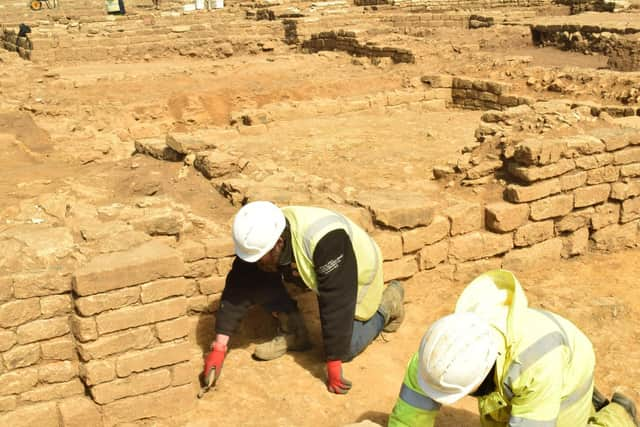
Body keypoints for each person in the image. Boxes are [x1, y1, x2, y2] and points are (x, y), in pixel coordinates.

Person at [389, 269, 639, 427]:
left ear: (485, 372)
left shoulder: (537, 367)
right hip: (511, 371)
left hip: (563, 366)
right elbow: (408, 418)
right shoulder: (437, 357)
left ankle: (619, 415)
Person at [202, 201, 405, 394]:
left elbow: (336, 300)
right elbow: (239, 285)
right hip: (323, 272)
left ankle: (388, 304)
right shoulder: (266, 233)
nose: (256, 261)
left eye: (260, 256)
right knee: (257, 274)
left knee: (346, 347)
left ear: (279, 243)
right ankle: (295, 332)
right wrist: (219, 347)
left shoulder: (325, 241)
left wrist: (333, 361)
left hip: (357, 274)